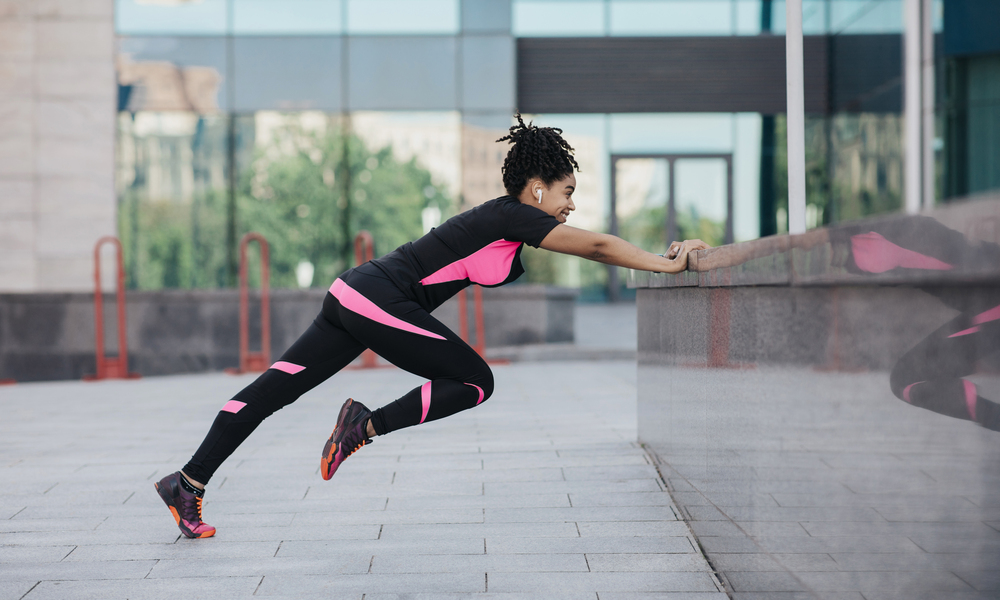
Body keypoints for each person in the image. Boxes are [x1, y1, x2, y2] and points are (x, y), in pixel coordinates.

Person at [155, 113, 710, 539]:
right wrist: (669, 263)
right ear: (538, 188)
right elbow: (596, 245)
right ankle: (362, 425)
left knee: (274, 390)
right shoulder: (514, 214)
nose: (570, 205)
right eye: (567, 192)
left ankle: (187, 482)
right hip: (377, 295)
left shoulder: (508, 222)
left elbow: (586, 241)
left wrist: (666, 256)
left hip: (357, 293)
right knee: (474, 381)